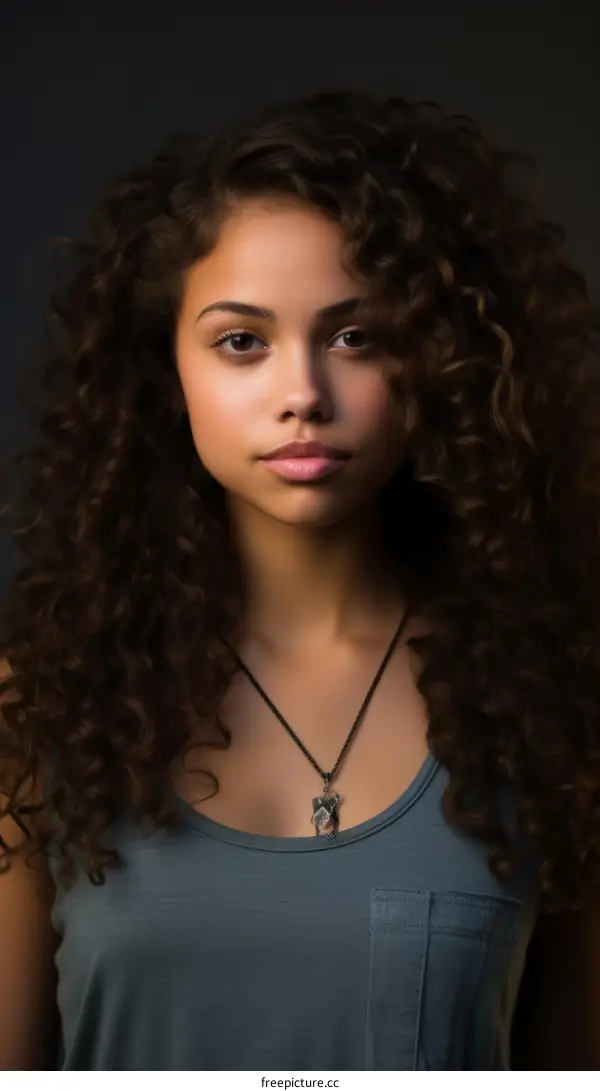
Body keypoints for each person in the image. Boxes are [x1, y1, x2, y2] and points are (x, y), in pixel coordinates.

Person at [1, 88, 600, 1072]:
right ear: (168, 372)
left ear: (437, 362)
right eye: (242, 341)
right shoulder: (45, 701)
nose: (302, 396)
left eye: (356, 335)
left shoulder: (551, 702)